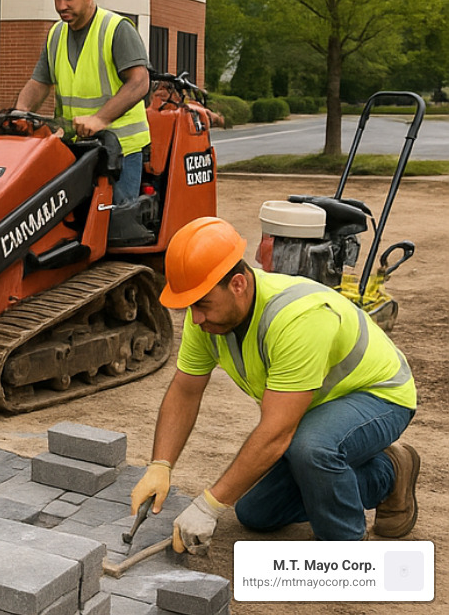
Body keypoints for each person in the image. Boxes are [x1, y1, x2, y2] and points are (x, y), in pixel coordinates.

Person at [130, 217, 419, 554]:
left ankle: (346, 548)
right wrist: (160, 465)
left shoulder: (296, 318)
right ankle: (385, 474)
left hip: (378, 395)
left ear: (237, 284)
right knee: (256, 512)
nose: (196, 319)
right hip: (312, 410)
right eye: (191, 306)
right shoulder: (207, 318)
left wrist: (209, 505)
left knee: (310, 448)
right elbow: (185, 390)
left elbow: (278, 433)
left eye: (202, 304)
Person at [16, 0, 151, 205]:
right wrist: (19, 114)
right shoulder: (56, 34)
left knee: (112, 228)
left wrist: (100, 118)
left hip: (120, 151)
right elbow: (39, 83)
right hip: (76, 148)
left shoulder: (116, 29)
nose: (61, 5)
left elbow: (140, 82)